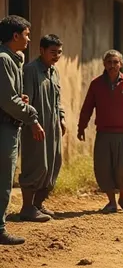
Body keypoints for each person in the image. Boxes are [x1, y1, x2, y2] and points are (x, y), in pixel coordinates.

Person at [78, 50, 123, 214]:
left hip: (122, 134)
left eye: (115, 62)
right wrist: (81, 127)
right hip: (103, 134)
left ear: (121, 64)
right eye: (109, 62)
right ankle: (111, 202)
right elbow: (87, 107)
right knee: (104, 168)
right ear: (104, 64)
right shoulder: (96, 84)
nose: (112, 66)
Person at [0, 16, 42, 245]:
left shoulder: (14, 59)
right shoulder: (4, 59)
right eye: (26, 34)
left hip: (9, 124)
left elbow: (11, 95)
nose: (28, 39)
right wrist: (32, 116)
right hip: (4, 126)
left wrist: (21, 100)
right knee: (3, 181)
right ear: (15, 36)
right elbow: (7, 101)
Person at [19, 34, 65, 223]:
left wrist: (61, 118)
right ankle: (27, 207)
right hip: (36, 126)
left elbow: (58, 99)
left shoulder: (54, 71)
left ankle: (38, 204)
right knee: (36, 164)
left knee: (55, 163)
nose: (56, 56)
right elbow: (25, 101)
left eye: (59, 52)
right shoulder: (30, 70)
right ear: (42, 50)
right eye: (53, 52)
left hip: (52, 126)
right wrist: (33, 123)